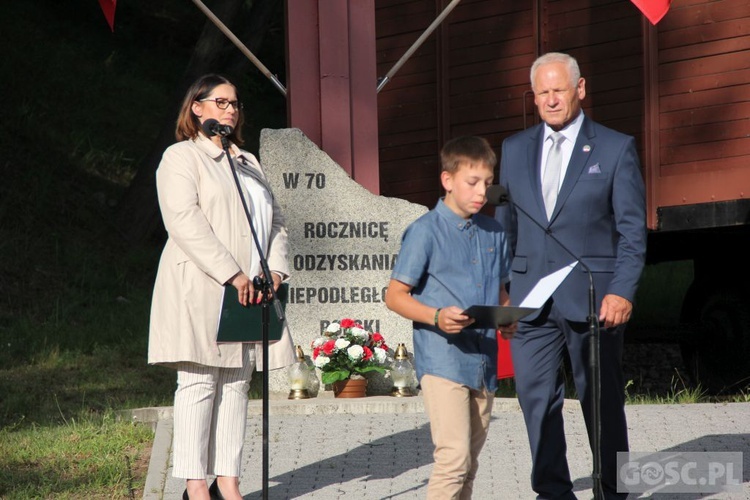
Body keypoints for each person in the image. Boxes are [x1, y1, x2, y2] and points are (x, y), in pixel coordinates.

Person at [495, 52, 647, 499]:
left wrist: (622, 290)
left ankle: (612, 491)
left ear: (580, 89)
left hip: (594, 299)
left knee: (602, 405)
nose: (550, 99)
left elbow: (632, 231)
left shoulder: (616, 148)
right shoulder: (514, 148)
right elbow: (506, 225)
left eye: (558, 89)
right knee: (535, 401)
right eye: (542, 92)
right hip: (529, 301)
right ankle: (553, 492)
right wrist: (503, 288)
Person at [148, 74, 296, 500]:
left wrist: (277, 272)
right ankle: (195, 486)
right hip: (202, 286)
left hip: (254, 288)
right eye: (221, 102)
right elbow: (184, 222)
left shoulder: (247, 161)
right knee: (198, 383)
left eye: (235, 103)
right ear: (197, 108)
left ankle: (227, 482)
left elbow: (277, 223)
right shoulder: (181, 157)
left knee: (236, 382)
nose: (231, 109)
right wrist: (234, 274)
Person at [385, 136, 516, 499]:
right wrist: (437, 315)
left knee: (469, 466)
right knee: (453, 459)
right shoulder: (425, 231)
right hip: (443, 360)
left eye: (487, 184)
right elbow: (394, 296)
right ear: (447, 180)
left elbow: (501, 291)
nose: (481, 192)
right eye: (472, 182)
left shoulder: (495, 232)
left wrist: (508, 316)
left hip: (484, 361)